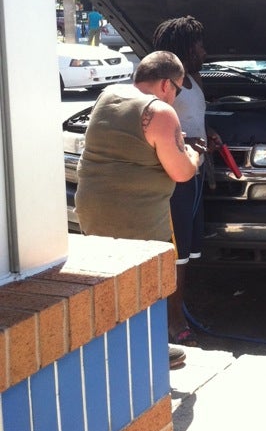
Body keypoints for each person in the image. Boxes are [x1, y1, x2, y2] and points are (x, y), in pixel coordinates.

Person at [75, 50, 202, 366]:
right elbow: (181, 172)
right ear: (166, 84)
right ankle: (149, 353)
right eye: (177, 89)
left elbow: (130, 146)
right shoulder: (160, 111)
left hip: (92, 209)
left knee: (106, 282)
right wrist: (193, 155)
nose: (175, 97)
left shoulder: (108, 96)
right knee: (147, 284)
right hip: (137, 217)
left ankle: (108, 351)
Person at [152, 16, 222, 346]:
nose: (204, 52)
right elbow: (154, 128)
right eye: (199, 46)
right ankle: (172, 321)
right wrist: (186, 143)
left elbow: (195, 120)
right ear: (184, 48)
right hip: (174, 179)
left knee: (189, 249)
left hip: (195, 174)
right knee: (176, 250)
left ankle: (178, 309)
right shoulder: (165, 86)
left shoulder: (194, 80)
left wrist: (209, 133)